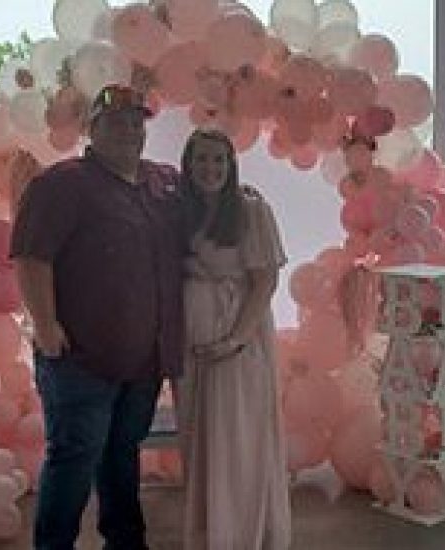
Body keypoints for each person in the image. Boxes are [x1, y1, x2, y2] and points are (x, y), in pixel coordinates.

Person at [11, 84, 185, 550]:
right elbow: (30, 258)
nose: (129, 131)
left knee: (121, 454)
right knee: (73, 457)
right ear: (93, 129)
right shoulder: (60, 184)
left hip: (143, 359)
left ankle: (126, 541)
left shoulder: (160, 182)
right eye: (116, 122)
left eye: (136, 122)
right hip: (78, 358)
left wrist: (243, 197)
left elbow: (211, 202)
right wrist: (46, 327)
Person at [176, 128, 292, 549]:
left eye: (219, 160)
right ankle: (211, 532)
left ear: (231, 165)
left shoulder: (250, 210)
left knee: (237, 440)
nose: (210, 168)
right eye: (202, 159)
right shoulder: (180, 210)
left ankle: (240, 535)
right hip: (190, 347)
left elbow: (264, 284)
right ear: (187, 165)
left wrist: (234, 341)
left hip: (236, 343)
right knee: (198, 441)